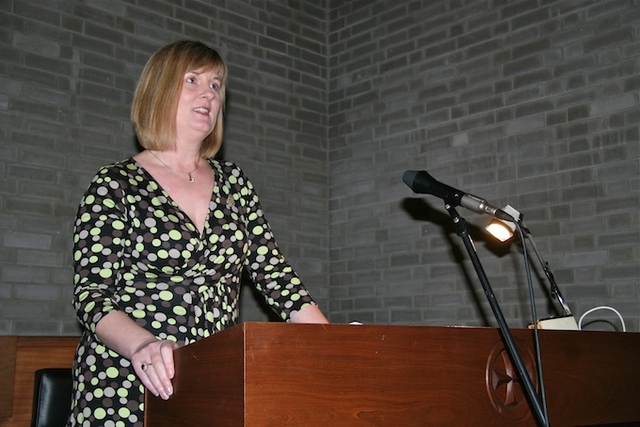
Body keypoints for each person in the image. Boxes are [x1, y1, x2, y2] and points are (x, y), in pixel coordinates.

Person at [68, 40, 328, 426]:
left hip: (211, 381)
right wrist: (144, 345)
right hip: (125, 382)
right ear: (160, 89)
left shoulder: (234, 182)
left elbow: (275, 276)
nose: (209, 92)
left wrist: (335, 344)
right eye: (193, 80)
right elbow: (91, 295)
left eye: (216, 84)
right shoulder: (116, 184)